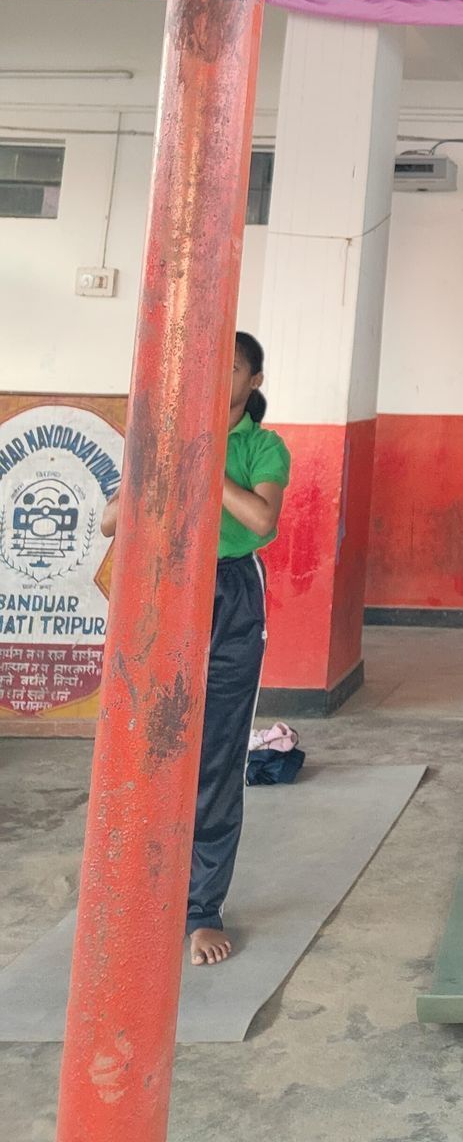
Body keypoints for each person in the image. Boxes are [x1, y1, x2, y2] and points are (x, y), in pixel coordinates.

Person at [100, 331, 290, 967]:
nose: (218, 376)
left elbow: (261, 522)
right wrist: (165, 455)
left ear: (253, 382)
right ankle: (136, 891)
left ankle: (201, 909)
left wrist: (203, 459)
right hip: (165, 589)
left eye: (231, 367)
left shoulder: (263, 447)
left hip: (233, 592)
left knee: (217, 753)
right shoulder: (162, 435)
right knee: (149, 744)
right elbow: (108, 521)